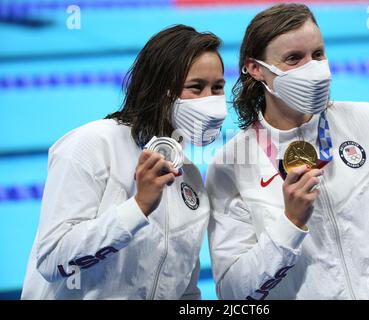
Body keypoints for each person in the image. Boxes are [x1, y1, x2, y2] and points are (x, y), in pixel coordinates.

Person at [206, 4, 369, 300]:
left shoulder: (368, 122)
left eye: (317, 54)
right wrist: (289, 224)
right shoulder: (230, 166)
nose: (314, 69)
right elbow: (233, 294)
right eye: (294, 59)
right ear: (256, 69)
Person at [21, 25, 227, 299]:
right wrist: (138, 207)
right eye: (196, 87)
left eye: (218, 87)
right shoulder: (91, 145)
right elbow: (51, 259)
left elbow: (184, 289)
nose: (210, 101)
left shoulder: (189, 177)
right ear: (161, 91)